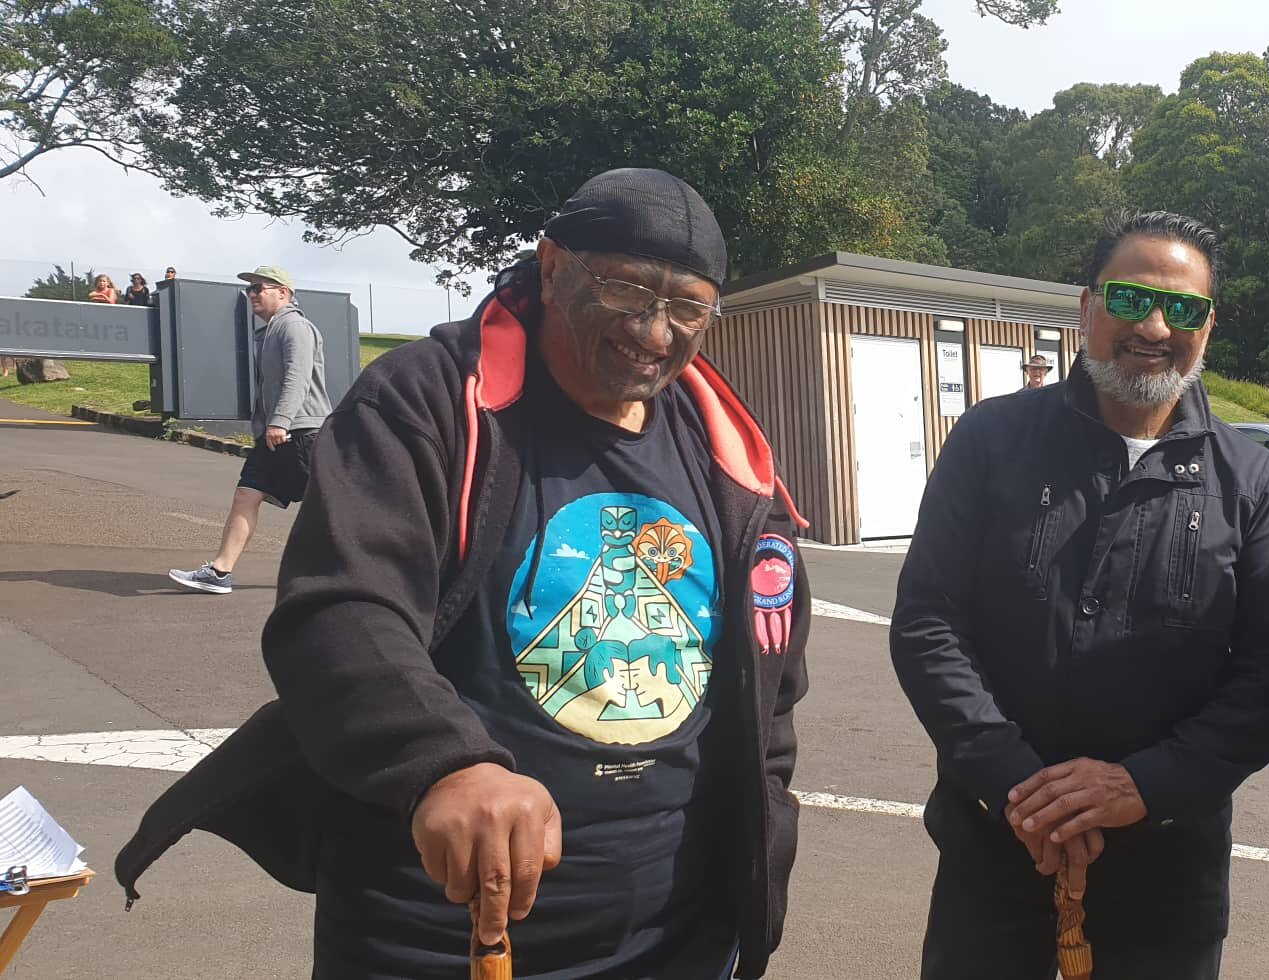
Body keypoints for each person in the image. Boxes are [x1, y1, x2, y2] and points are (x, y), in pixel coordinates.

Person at [121, 169, 812, 978]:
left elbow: (772, 679)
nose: (657, 331)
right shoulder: (429, 400)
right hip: (440, 934)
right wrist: (446, 761)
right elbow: (343, 608)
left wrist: (761, 848)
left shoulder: (724, 446)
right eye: (627, 291)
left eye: (688, 306)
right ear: (553, 268)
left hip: (679, 936)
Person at [890, 210, 1269, 980]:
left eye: (1182, 308)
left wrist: (1143, 785)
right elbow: (928, 624)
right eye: (1129, 299)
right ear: (1086, 307)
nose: (1153, 325)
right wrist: (1016, 781)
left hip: (1167, 873)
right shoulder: (991, 441)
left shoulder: (1249, 482)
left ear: (1208, 327)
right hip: (995, 846)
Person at [168, 265, 331, 595]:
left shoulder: (295, 327)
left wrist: (280, 421)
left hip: (301, 433)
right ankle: (219, 572)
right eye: (249, 290)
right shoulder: (271, 331)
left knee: (331, 508)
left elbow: (296, 379)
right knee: (246, 495)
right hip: (276, 434)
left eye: (259, 288)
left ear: (283, 293)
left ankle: (373, 569)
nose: (251, 295)